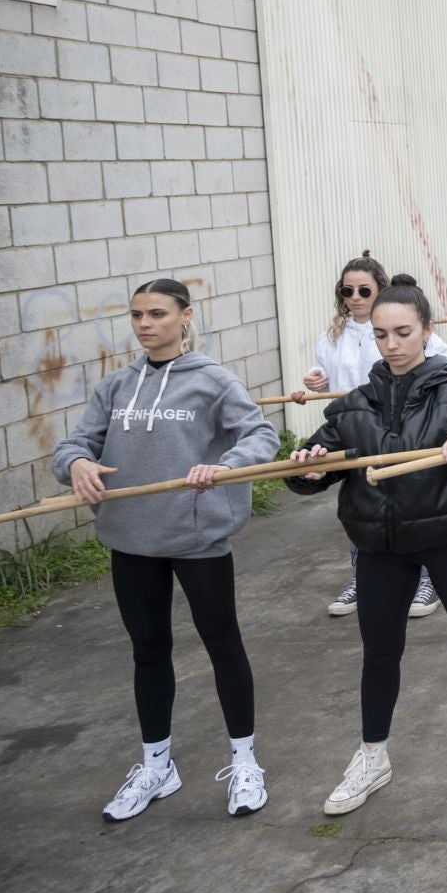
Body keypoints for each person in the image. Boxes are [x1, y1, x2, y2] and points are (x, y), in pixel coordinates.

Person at [285, 277, 447, 815]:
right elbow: (318, 470)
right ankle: (373, 757)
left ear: (426, 331)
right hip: (381, 546)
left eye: (402, 332)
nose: (392, 344)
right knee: (379, 655)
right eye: (381, 334)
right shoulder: (355, 405)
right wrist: (305, 470)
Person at [54, 278, 280, 822]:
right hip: (131, 539)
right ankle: (157, 765)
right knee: (148, 651)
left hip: (196, 538)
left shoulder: (213, 381)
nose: (144, 324)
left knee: (222, 645)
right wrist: (78, 465)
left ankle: (244, 761)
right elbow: (73, 445)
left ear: (185, 317)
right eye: (136, 315)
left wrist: (226, 465)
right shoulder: (115, 386)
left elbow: (262, 436)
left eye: (156, 313)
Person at [306, 252, 447, 620]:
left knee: (415, 506)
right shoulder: (332, 336)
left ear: (380, 290)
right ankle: (362, 577)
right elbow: (324, 372)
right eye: (346, 290)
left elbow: (439, 365)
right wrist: (313, 381)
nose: (354, 297)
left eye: (363, 290)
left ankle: (425, 579)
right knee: (363, 510)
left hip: (405, 432)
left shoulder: (401, 328)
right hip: (356, 431)